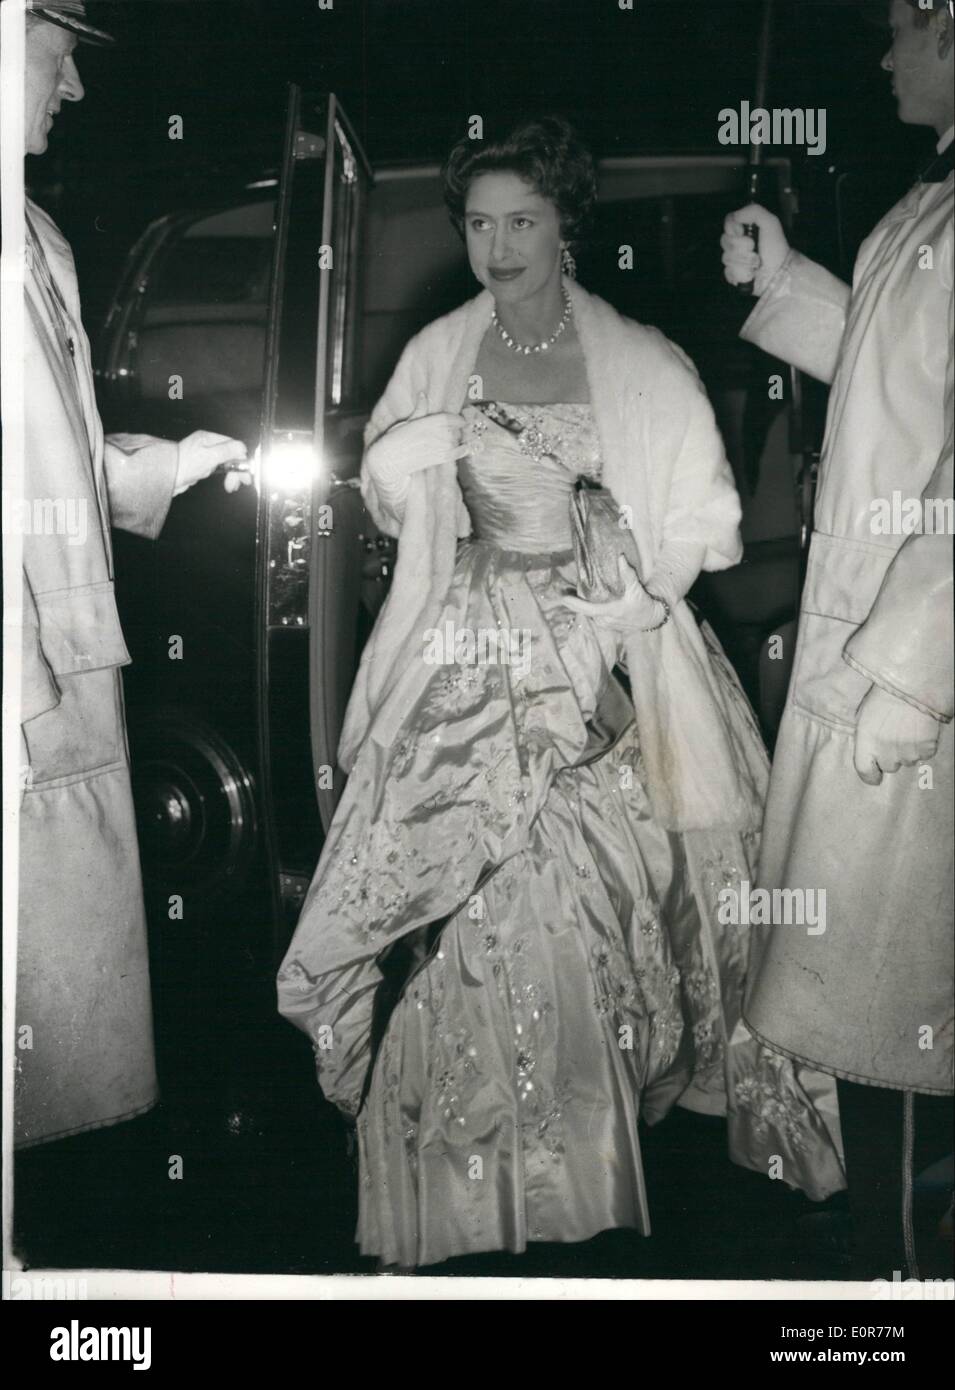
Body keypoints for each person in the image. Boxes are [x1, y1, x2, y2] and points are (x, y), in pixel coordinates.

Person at [278, 116, 845, 1272]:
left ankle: (577, 1181)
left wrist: (639, 605)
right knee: (457, 899)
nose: (497, 245)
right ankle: (461, 1192)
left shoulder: (636, 357)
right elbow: (388, 493)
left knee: (593, 900)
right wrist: (407, 454)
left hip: (605, 643)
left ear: (563, 224)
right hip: (468, 644)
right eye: (479, 223)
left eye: (520, 221)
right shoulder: (442, 349)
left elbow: (706, 522)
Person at [721, 0, 953, 1278]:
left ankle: (907, 1280)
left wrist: (914, 675)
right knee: (876, 1003)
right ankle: (888, 1254)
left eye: (900, 27)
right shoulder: (928, 205)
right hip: (879, 648)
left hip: (914, 677)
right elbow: (896, 369)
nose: (880, 54)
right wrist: (789, 282)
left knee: (902, 1010)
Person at [14, 1, 250, 1150]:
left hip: (59, 679)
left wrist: (151, 469)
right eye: (61, 55)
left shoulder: (38, 241)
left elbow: (40, 460)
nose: (77, 90)